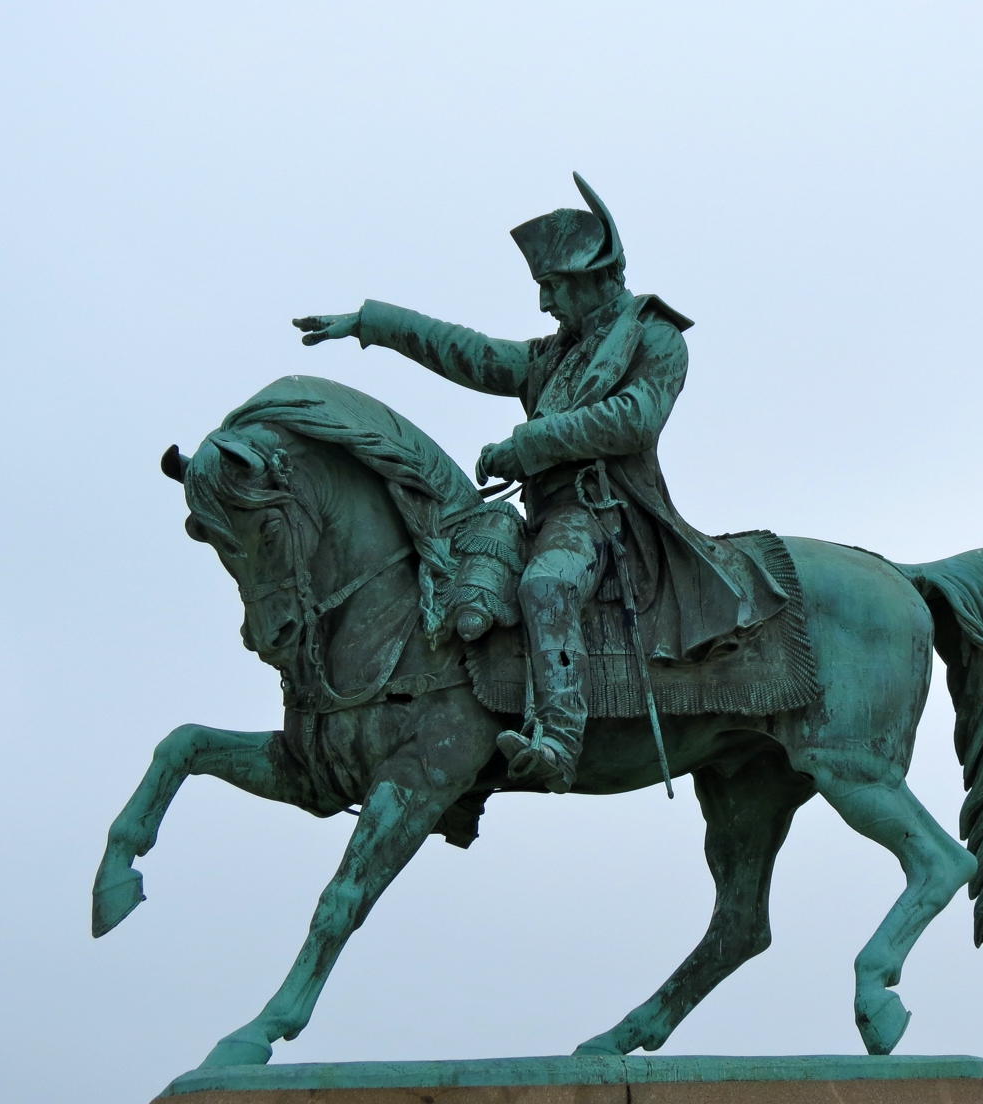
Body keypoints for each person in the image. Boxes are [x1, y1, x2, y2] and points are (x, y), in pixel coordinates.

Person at [293, 174, 785, 792]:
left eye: (553, 288)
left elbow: (634, 419)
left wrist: (527, 444)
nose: (546, 304)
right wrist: (371, 322)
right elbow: (467, 352)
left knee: (548, 582)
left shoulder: (654, 336)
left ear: (591, 278)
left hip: (607, 516)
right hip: (547, 515)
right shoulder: (552, 355)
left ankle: (558, 738)